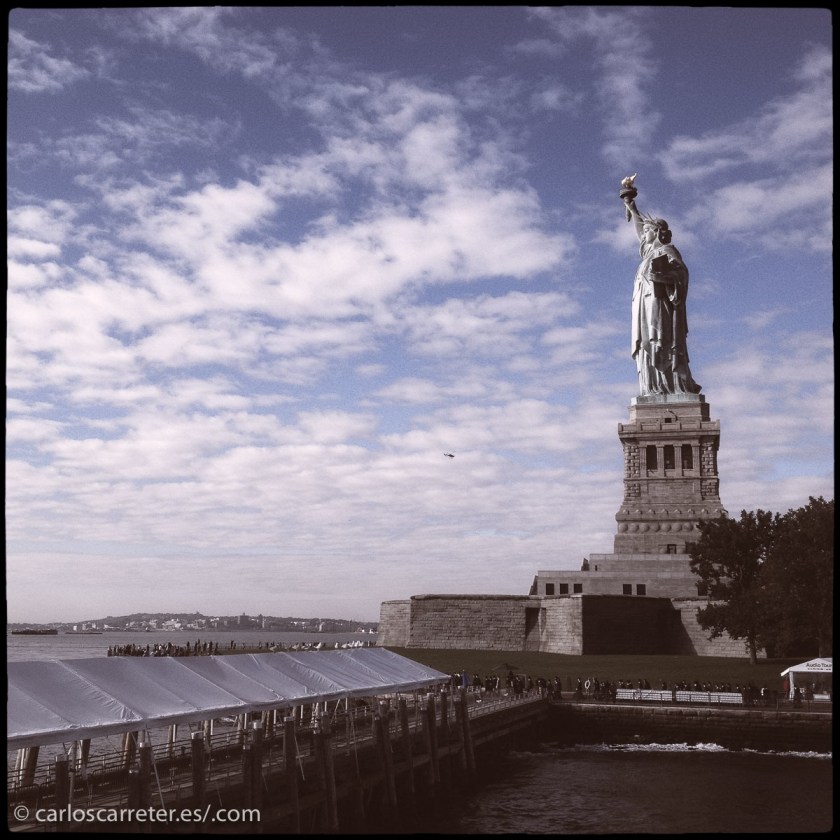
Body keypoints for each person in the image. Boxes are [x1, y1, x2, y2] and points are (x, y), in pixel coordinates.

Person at [620, 178, 702, 396]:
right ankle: (653, 388)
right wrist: (630, 204)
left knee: (662, 344)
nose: (643, 235)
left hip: (660, 308)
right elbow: (639, 230)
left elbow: (681, 274)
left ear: (656, 232)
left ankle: (672, 385)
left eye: (648, 231)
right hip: (644, 308)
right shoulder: (649, 253)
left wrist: (663, 276)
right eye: (645, 231)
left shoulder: (667, 250)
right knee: (647, 344)